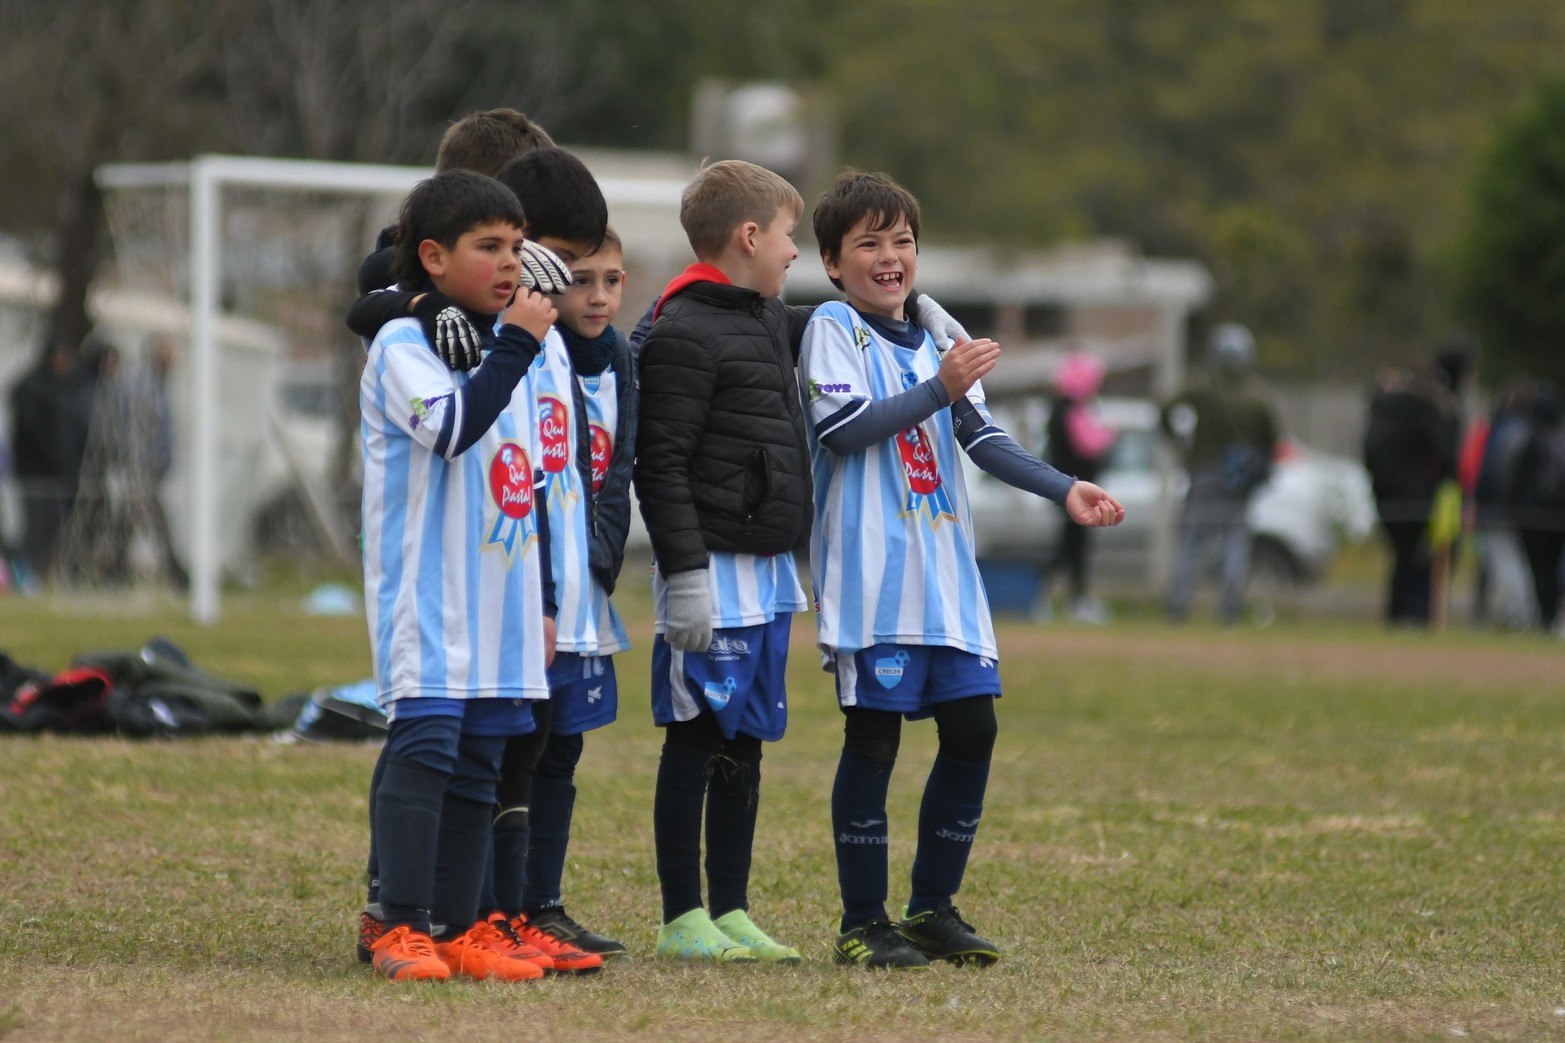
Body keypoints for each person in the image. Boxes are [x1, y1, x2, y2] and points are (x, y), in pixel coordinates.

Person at [800, 170, 1124, 969]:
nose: (889, 257)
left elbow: (980, 438)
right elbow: (844, 430)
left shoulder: (938, 336)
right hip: (875, 579)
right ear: (833, 263)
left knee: (973, 727)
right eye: (868, 243)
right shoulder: (832, 328)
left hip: (945, 577)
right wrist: (938, 387)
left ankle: (931, 908)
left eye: (902, 241)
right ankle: (861, 921)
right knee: (872, 739)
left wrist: (1064, 486)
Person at [351, 147, 609, 976]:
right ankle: (394, 921)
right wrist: (518, 346)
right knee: (426, 747)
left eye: (515, 245)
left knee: (479, 763)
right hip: (428, 596)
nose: (511, 264)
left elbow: (528, 484)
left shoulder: (514, 340)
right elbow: (454, 427)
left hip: (501, 598)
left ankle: (460, 925)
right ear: (432, 257)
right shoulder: (402, 343)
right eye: (489, 247)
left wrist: (542, 601)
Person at [633, 159, 814, 964]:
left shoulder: (767, 317)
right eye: (789, 237)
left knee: (745, 737)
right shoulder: (680, 331)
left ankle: (732, 907)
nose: (795, 253)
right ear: (749, 236)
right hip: (706, 569)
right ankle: (682, 915)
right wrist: (685, 575)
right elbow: (659, 463)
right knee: (696, 736)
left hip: (766, 569)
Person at [513, 226, 638, 957]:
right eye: (581, 279)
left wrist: (599, 561)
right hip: (531, 582)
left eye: (612, 280)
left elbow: (616, 470)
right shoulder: (531, 350)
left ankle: (545, 901)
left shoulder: (620, 355)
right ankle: (495, 905)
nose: (596, 296)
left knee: (564, 749)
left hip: (583, 586)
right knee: (516, 747)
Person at [1160, 322, 1279, 626]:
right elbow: (1273, 442)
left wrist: (1182, 447)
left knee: (1191, 544)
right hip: (1238, 482)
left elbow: (1166, 410)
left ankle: (1178, 607)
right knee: (1235, 545)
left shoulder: (1202, 391)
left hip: (1203, 475)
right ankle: (1229, 610)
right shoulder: (1257, 397)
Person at [1361, 354, 1460, 627]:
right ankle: (1414, 615)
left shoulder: (1382, 410)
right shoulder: (1423, 411)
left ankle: (1397, 614)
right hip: (1417, 495)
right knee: (1414, 557)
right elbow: (1444, 454)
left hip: (1384, 495)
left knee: (1401, 556)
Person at [1042, 350, 1117, 623]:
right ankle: (1066, 599)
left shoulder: (1062, 409)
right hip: (1072, 489)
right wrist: (1108, 438)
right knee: (1072, 546)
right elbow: (1086, 446)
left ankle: (1069, 598)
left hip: (1066, 487)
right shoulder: (1069, 411)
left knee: (1071, 545)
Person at [1507, 381, 1565, 633]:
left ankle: (1546, 618)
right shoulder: (1561, 440)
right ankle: (1550, 617)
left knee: (1540, 570)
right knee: (1552, 569)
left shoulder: (1528, 440)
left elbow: (1515, 480)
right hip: (1557, 516)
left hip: (1533, 516)